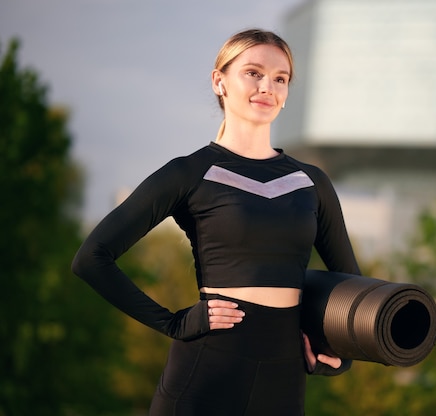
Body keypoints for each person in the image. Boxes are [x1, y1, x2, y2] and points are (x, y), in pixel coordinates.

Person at [71, 28, 361, 415]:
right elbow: (92, 257)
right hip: (206, 373)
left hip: (283, 380)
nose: (267, 87)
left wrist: (342, 354)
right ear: (219, 81)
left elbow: (351, 283)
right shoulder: (189, 173)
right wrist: (172, 323)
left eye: (280, 78)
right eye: (253, 73)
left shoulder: (312, 182)